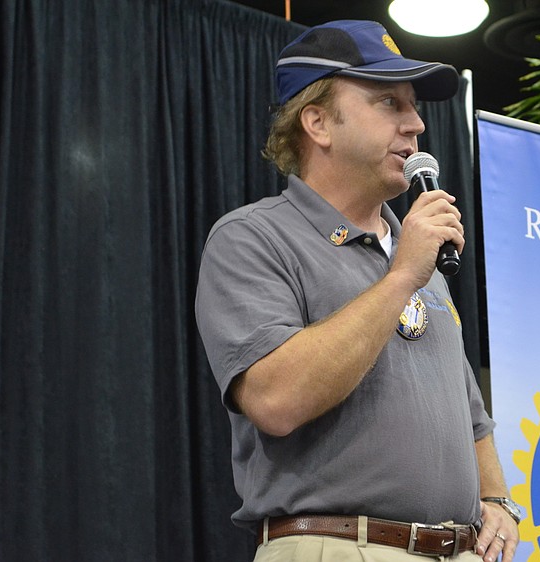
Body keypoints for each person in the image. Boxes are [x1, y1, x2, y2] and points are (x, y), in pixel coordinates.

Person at [196, 20, 520, 562]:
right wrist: (399, 279)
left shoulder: (423, 260)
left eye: (413, 105)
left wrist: (496, 498)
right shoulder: (253, 238)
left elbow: (467, 410)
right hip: (338, 546)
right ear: (318, 122)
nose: (416, 124)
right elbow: (276, 400)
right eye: (388, 103)